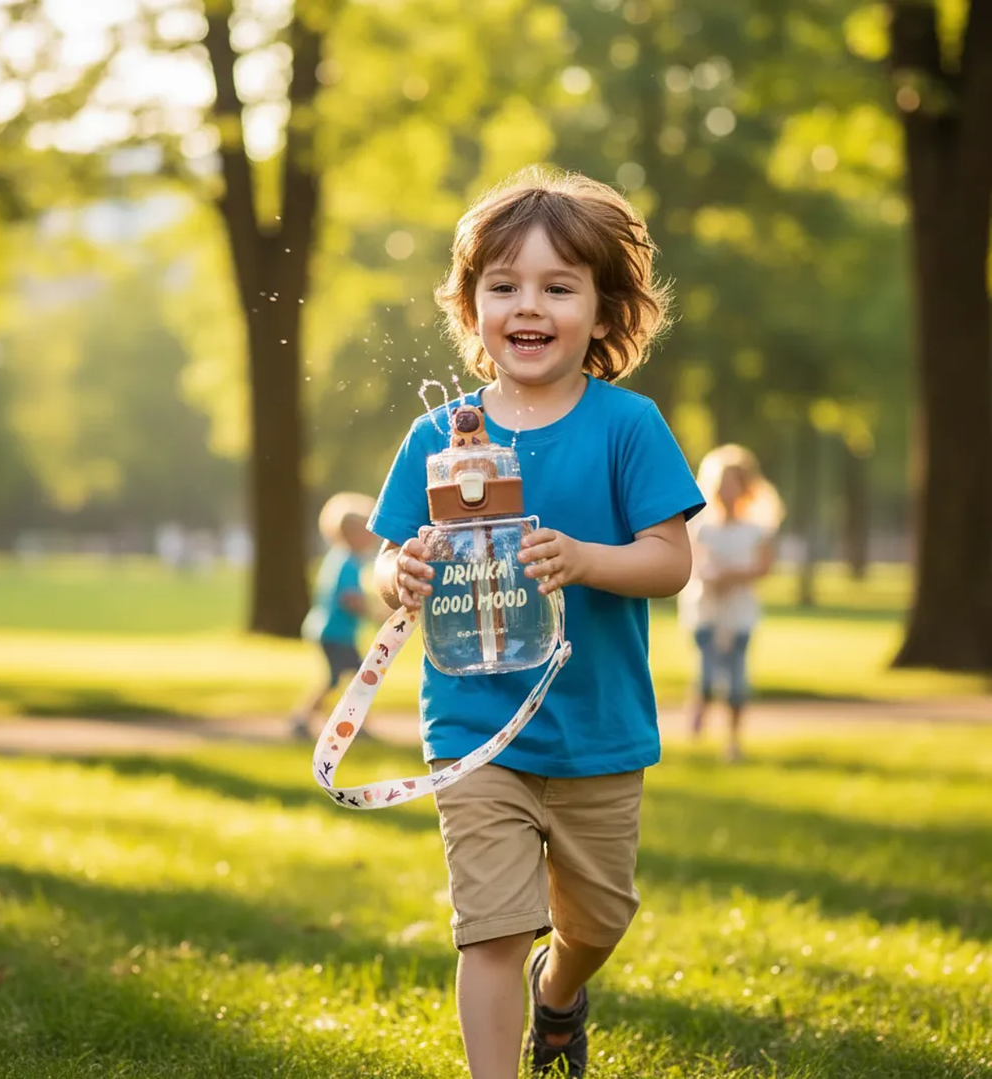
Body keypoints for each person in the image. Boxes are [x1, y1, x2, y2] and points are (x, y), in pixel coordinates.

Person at [368, 168, 704, 1079]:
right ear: (472, 307)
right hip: (476, 733)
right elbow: (385, 560)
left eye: (559, 287)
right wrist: (397, 571)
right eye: (503, 285)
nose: (529, 304)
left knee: (596, 920)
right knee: (492, 931)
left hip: (598, 734)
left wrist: (586, 559)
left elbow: (670, 561)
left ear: (602, 314)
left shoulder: (627, 426)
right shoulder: (440, 435)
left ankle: (562, 994)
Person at [678, 444, 784, 763]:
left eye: (733, 482)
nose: (727, 490)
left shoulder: (756, 531)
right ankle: (697, 720)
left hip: (739, 614)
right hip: (706, 611)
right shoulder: (701, 527)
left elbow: (764, 567)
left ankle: (733, 741)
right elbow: (692, 563)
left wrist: (732, 575)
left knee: (737, 680)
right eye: (722, 482)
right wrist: (711, 576)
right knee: (708, 675)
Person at [290, 492, 378, 740]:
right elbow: (349, 598)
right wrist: (375, 613)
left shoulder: (339, 559)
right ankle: (352, 725)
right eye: (368, 532)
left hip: (330, 631)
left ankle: (308, 718)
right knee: (359, 679)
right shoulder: (348, 563)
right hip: (334, 633)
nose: (373, 537)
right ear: (352, 535)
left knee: (340, 679)